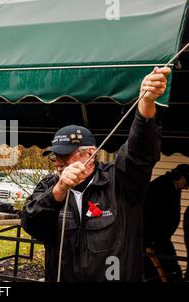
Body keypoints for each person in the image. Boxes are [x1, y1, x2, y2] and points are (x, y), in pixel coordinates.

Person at [21, 66, 171, 281]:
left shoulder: (118, 181)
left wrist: (145, 103)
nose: (59, 163)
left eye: (66, 156)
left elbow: (140, 153)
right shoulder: (50, 185)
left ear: (90, 154)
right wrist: (58, 191)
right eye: (55, 157)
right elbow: (31, 224)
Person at [143, 164, 189, 281]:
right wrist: (148, 243)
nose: (186, 188)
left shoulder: (175, 188)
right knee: (158, 276)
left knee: (174, 274)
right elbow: (147, 215)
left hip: (163, 240)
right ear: (180, 177)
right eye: (187, 183)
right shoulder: (159, 186)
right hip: (152, 243)